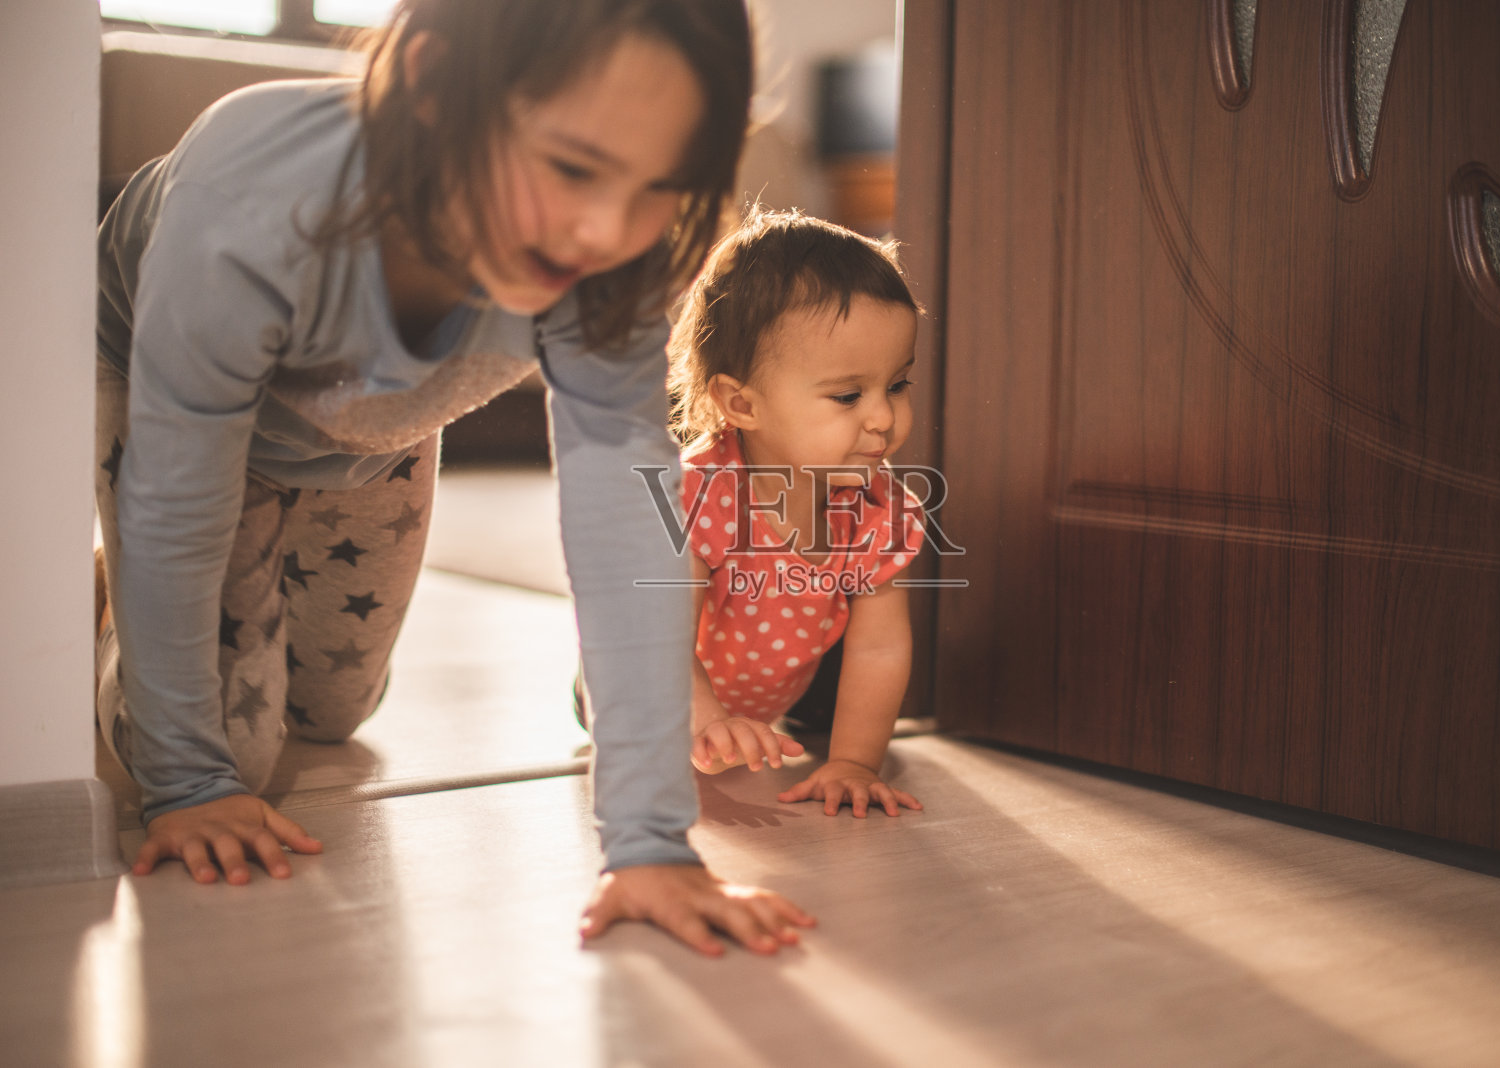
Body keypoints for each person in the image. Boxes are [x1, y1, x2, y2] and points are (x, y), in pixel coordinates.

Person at [94, 0, 813, 958]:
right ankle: (114, 597)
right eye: (569, 167)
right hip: (191, 428)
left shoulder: (616, 248)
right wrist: (186, 784)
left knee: (333, 712)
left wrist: (649, 842)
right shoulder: (252, 196)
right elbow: (179, 494)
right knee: (241, 760)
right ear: (430, 86)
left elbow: (623, 519)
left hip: (381, 427)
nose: (604, 227)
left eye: (660, 186)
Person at [665, 209, 926, 818]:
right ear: (741, 403)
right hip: (650, 673)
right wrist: (707, 723)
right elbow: (662, 642)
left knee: (833, 689)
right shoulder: (701, 496)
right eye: (847, 395)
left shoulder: (877, 508)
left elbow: (880, 649)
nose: (883, 418)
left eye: (898, 385)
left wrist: (853, 763)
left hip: (774, 688)